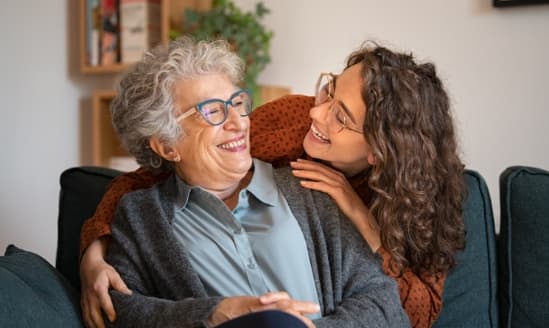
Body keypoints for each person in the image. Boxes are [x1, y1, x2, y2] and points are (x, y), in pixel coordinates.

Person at [80, 40, 465, 328]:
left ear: (379, 152)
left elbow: (397, 308)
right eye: (213, 110)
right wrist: (93, 252)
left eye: (237, 103)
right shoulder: (291, 127)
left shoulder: (319, 195)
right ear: (166, 143)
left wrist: (363, 222)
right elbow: (122, 308)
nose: (239, 122)